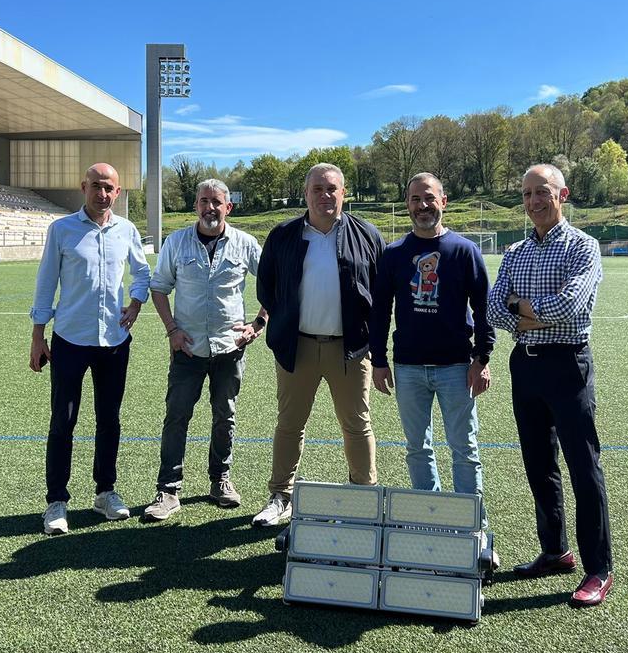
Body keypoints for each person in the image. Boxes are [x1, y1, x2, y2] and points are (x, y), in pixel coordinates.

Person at [486, 163, 613, 606]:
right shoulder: (515, 252)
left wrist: (520, 307)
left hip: (567, 365)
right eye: (526, 194)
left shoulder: (583, 246)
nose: (534, 201)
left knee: (583, 465)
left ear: (562, 194)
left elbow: (570, 306)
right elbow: (492, 309)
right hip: (525, 365)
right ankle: (555, 550)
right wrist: (530, 313)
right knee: (538, 463)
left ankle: (598, 568)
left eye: (542, 191)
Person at [251, 163, 386, 527]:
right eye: (317, 189)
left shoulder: (367, 234)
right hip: (299, 348)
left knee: (357, 425)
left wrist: (376, 348)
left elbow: (381, 293)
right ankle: (281, 496)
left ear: (344, 193)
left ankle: (363, 498)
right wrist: (283, 324)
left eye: (331, 189)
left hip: (351, 350)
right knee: (289, 424)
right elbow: (267, 288)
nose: (325, 195)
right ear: (305, 193)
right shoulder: (283, 235)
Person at [30, 163, 151, 536]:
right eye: (96, 186)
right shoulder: (62, 229)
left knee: (109, 420)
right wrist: (38, 335)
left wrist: (136, 303)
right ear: (84, 187)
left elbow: (142, 272)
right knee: (63, 422)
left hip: (113, 341)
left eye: (109, 188)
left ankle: (105, 492)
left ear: (118, 192)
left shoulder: (127, 230)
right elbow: (46, 281)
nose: (102, 193)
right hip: (69, 340)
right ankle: (56, 501)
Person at [143, 178, 267, 521]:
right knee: (177, 416)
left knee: (224, 416)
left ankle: (220, 480)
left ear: (228, 207)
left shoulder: (245, 243)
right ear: (195, 205)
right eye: (203, 201)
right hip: (188, 349)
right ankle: (168, 490)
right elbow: (158, 288)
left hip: (230, 348)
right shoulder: (176, 242)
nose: (209, 208)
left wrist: (258, 324)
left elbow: (273, 284)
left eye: (216, 202)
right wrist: (172, 330)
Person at [370, 173, 495, 507]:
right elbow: (380, 310)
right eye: (415, 199)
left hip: (456, 367)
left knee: (464, 449)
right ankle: (432, 519)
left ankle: (471, 526)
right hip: (408, 367)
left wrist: (482, 358)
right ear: (407, 204)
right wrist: (378, 360)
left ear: (443, 201)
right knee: (417, 449)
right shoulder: (394, 253)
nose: (422, 205)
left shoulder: (464, 251)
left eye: (429, 198)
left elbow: (484, 308)